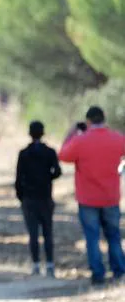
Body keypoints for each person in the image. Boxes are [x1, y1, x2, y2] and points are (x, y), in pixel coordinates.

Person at [58, 106, 125, 286]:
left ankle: (98, 274)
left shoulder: (81, 141)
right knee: (114, 236)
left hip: (87, 199)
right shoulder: (116, 139)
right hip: (110, 197)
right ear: (104, 120)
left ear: (88, 122)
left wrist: (72, 132)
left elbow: (62, 155)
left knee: (92, 238)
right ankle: (119, 272)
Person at [14, 120, 61, 277]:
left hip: (29, 198)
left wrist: (21, 196)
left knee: (33, 234)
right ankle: (50, 265)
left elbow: (18, 178)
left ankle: (35, 265)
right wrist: (47, 178)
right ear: (43, 133)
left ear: (30, 133)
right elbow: (57, 171)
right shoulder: (50, 152)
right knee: (48, 233)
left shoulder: (24, 154)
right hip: (45, 197)